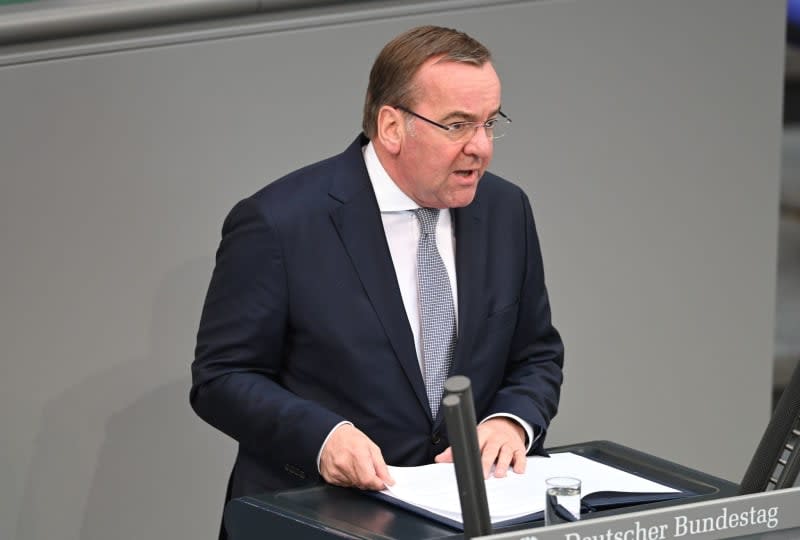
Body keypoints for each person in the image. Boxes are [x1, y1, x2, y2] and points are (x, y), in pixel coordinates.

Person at [190, 25, 564, 538]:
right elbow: (222, 377)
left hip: (463, 519)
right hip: (316, 517)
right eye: (457, 125)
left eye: (489, 123)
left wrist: (511, 421)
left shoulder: (505, 210)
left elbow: (536, 354)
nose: (481, 147)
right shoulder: (280, 223)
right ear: (392, 126)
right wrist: (323, 438)